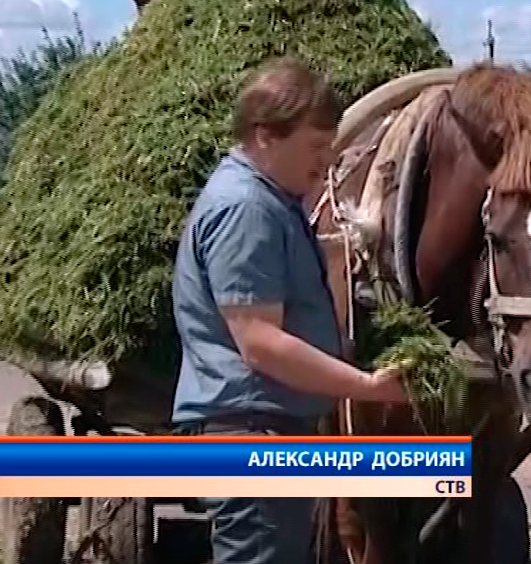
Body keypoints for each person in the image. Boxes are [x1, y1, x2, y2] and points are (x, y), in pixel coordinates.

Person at [169, 56, 409, 564]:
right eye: (316, 147)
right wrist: (365, 386)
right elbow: (259, 341)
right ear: (264, 136)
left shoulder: (271, 202)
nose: (326, 161)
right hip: (250, 431)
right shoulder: (247, 210)